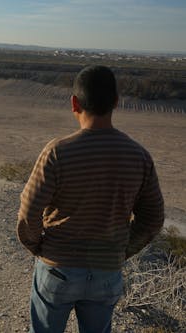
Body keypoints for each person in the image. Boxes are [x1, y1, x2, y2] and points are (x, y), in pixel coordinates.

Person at [16, 65, 164, 333]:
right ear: (116, 102)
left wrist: (38, 247)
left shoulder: (57, 153)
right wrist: (121, 251)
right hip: (106, 272)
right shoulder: (138, 156)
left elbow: (28, 213)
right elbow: (153, 219)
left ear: (74, 103)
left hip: (57, 268)